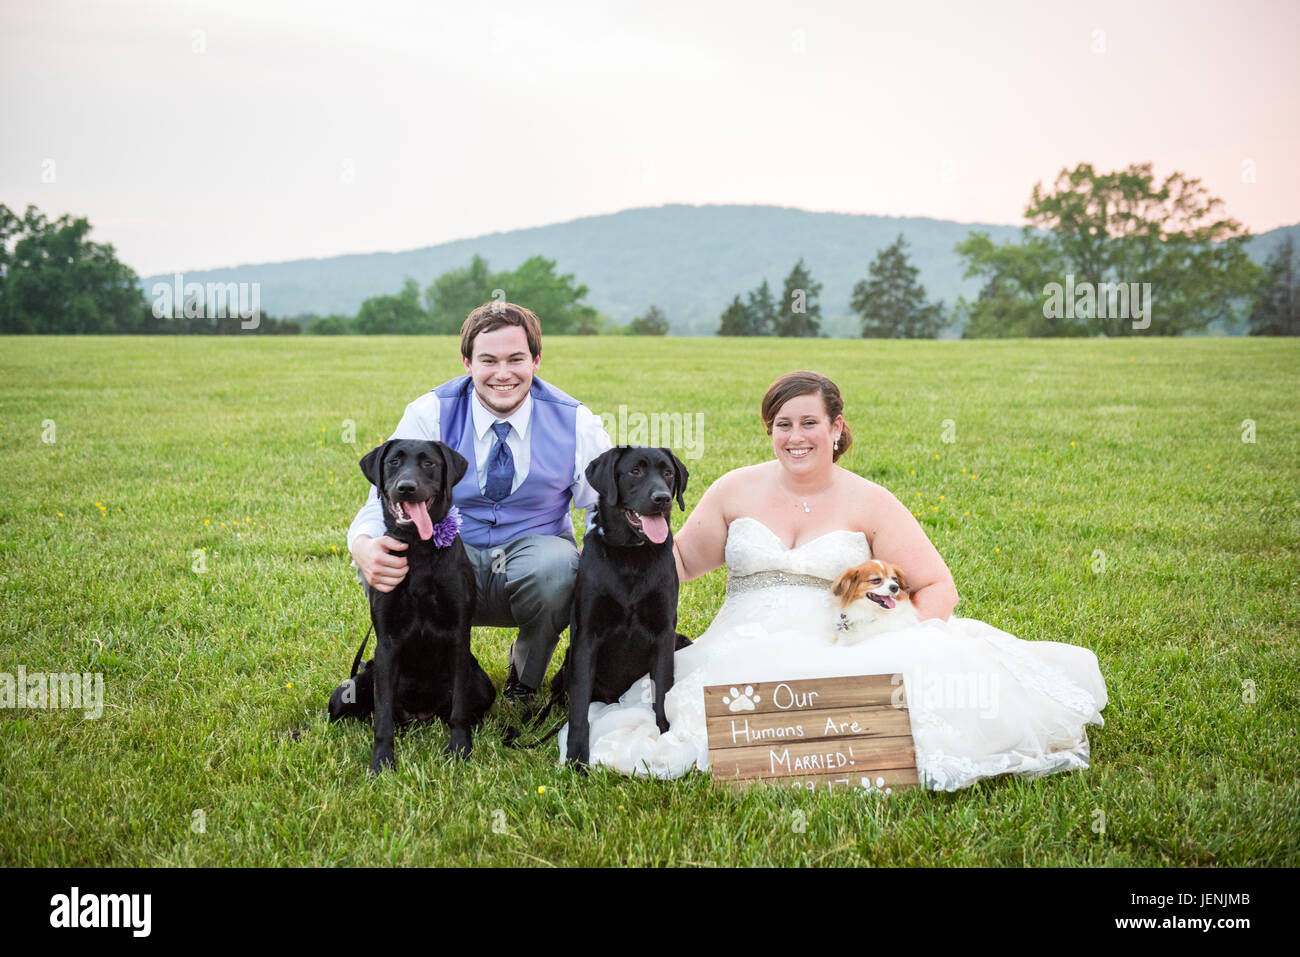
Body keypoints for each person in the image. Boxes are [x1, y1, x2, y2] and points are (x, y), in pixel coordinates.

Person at [557, 371, 1109, 791]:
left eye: (809, 423)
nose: (796, 436)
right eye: (783, 424)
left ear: (836, 428)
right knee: (692, 727)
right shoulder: (735, 490)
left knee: (891, 713)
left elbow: (937, 586)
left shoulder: (871, 500)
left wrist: (898, 639)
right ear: (770, 430)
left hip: (840, 643)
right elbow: (669, 565)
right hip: (741, 647)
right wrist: (607, 563)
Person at [348, 302, 611, 703]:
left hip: (530, 569)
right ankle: (421, 676)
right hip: (446, 564)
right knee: (391, 553)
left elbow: (602, 510)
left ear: (537, 360)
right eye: (488, 360)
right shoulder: (429, 412)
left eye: (516, 359)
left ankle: (525, 677)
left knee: (559, 567)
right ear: (467, 362)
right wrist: (362, 545)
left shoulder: (576, 422)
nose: (503, 373)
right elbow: (379, 499)